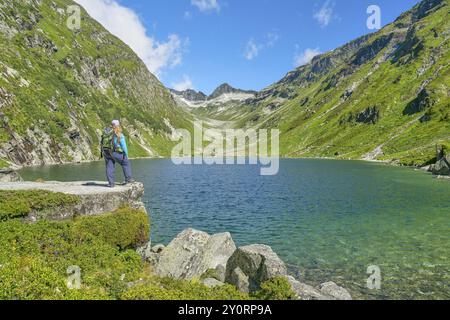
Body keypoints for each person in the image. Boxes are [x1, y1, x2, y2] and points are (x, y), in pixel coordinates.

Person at [101, 120, 134, 187]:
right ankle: (128, 179)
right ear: (118, 125)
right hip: (114, 152)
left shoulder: (107, 132)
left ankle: (111, 183)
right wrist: (126, 155)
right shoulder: (118, 133)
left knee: (109, 166)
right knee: (125, 163)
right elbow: (123, 146)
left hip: (106, 152)